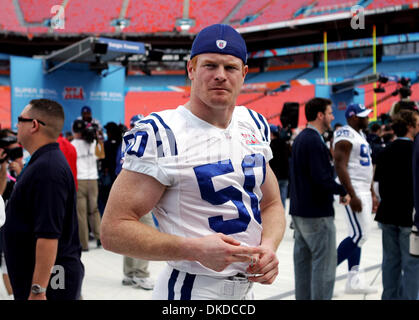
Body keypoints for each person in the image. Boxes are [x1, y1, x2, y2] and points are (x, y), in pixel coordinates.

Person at [101, 23, 286, 300]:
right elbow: (113, 230)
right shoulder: (162, 132)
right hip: (189, 290)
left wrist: (269, 245)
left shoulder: (253, 123)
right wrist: (193, 249)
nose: (220, 76)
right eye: (210, 65)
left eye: (230, 67)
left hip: (245, 291)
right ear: (191, 70)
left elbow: (271, 204)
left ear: (244, 74)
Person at [2, 99, 84, 300]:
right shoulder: (42, 162)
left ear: (34, 125)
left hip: (51, 283)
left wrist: (38, 290)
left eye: (20, 120)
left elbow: (48, 235)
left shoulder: (47, 169)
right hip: (41, 278)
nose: (16, 126)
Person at [289, 97, 349, 300]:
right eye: (331, 113)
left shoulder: (300, 139)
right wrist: (343, 191)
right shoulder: (314, 141)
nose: (333, 117)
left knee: (303, 268)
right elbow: (321, 178)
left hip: (299, 212)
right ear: (320, 115)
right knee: (324, 268)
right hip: (316, 214)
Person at [333, 103, 378, 294]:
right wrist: (350, 193)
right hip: (354, 190)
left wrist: (372, 192)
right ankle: (323, 274)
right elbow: (340, 165)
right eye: (363, 116)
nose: (367, 118)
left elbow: (364, 168)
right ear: (352, 117)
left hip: (363, 189)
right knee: (359, 235)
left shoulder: (360, 135)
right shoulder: (345, 134)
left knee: (358, 235)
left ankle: (353, 280)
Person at [374, 110, 419, 300]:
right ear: (410, 126)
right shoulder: (415, 150)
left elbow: (376, 186)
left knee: (390, 264)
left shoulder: (385, 150)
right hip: (409, 217)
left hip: (388, 215)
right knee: (411, 267)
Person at [71, 119, 102, 251]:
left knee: (81, 213)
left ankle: (84, 244)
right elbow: (100, 156)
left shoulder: (72, 144)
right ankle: (99, 238)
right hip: (93, 179)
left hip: (80, 180)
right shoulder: (93, 143)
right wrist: (97, 137)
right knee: (94, 210)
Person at [269, 124, 291, 209]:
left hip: (274, 177)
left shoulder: (269, 146)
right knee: (282, 201)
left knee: (274, 203)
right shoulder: (284, 143)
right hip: (284, 176)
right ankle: (282, 218)